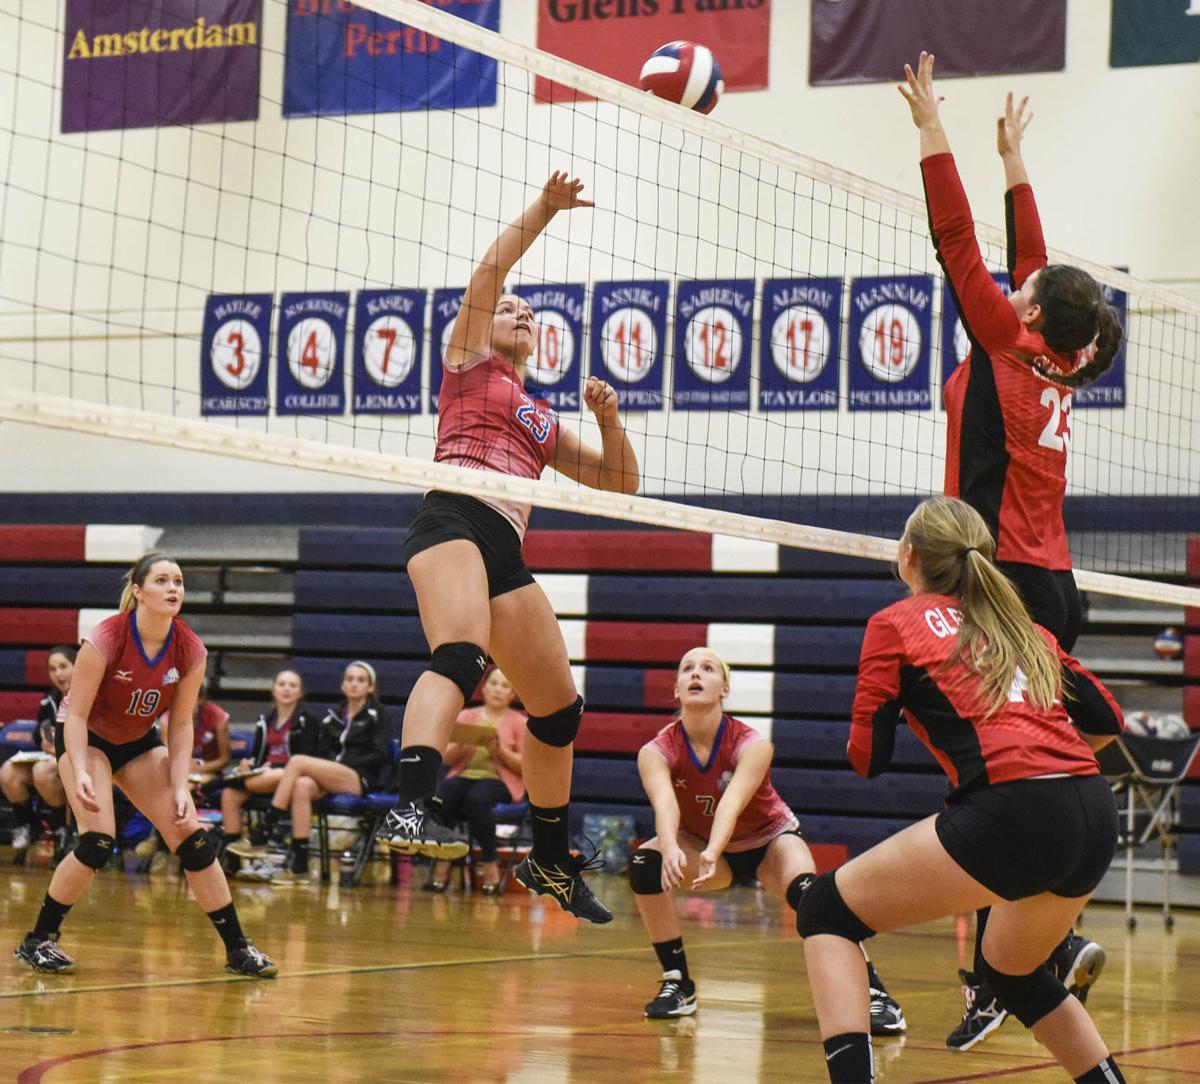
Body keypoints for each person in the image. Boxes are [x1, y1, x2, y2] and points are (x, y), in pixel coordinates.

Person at [909, 52, 1122, 1050]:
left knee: (994, 783)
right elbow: (1028, 260)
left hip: (1004, 586)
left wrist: (932, 130)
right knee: (1031, 774)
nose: (1015, 283)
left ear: (1029, 311)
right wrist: (1014, 162)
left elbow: (957, 243)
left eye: (1024, 288)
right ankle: (1038, 947)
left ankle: (1004, 971)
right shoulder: (1063, 353)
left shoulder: (1004, 338)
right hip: (1054, 584)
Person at [379, 171, 639, 924]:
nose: (520, 312)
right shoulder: (466, 364)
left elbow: (621, 484)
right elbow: (490, 273)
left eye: (530, 314)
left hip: (506, 545)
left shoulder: (540, 417)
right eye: (511, 309)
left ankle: (550, 859)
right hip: (452, 518)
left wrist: (610, 419)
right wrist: (546, 209)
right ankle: (409, 807)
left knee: (558, 711)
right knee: (461, 658)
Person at [796, 495, 1125, 1084]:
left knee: (825, 911)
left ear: (909, 556)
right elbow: (1108, 720)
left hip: (1013, 809)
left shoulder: (895, 624)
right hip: (1094, 808)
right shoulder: (1022, 627)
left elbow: (868, 759)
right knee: (1013, 972)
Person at [11, 552, 276, 977]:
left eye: (179, 581)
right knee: (98, 841)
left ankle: (238, 950)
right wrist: (79, 769)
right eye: (163, 580)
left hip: (137, 741)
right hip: (87, 738)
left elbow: (182, 724)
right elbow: (75, 715)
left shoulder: (189, 648)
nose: (173, 588)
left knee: (192, 838)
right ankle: (38, 940)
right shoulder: (106, 638)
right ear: (138, 591)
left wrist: (180, 787)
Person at [629, 647, 905, 1035]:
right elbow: (665, 804)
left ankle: (875, 993)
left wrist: (712, 851)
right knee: (646, 863)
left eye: (707, 668)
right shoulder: (656, 751)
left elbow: (732, 802)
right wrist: (672, 847)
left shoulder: (752, 743)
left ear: (724, 689)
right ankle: (678, 983)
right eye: (687, 668)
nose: (696, 674)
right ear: (676, 689)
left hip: (768, 841)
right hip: (705, 847)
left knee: (812, 898)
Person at [229, 660, 394, 886]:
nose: (354, 684)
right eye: (349, 679)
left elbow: (380, 754)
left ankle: (265, 830)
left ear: (370, 687)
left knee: (297, 762)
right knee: (302, 786)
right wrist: (327, 767)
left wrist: (340, 763)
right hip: (330, 776)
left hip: (359, 777)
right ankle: (299, 866)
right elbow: (322, 752)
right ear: (343, 685)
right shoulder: (333, 717)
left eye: (361, 680)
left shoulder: (379, 715)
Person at [428, 666, 526, 895]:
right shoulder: (466, 716)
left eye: (505, 686)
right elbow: (447, 758)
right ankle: (444, 857)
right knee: (442, 797)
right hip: (464, 775)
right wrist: (463, 744)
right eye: (493, 684)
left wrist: (499, 751)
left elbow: (524, 766)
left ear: (512, 694)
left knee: (478, 799)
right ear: (483, 688)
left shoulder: (520, 723)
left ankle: (489, 861)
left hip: (499, 781)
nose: (498, 690)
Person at [219, 668, 321, 858]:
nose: (286, 689)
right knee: (229, 794)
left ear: (300, 693)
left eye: (292, 685)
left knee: (270, 775)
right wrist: (249, 765)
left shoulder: (307, 720)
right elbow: (259, 756)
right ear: (273, 690)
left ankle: (211, 786)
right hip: (265, 777)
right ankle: (232, 857)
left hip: (291, 777)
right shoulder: (265, 720)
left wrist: (272, 768)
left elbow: (307, 759)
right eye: (282, 684)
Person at [1, 645, 73, 863]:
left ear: (77, 666)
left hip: (84, 759)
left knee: (42, 771)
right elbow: (44, 733)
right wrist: (47, 739)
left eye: (63, 666)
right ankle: (30, 825)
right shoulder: (50, 699)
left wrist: (56, 744)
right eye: (53, 669)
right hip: (55, 756)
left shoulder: (90, 695)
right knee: (8, 772)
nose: (58, 674)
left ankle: (62, 831)